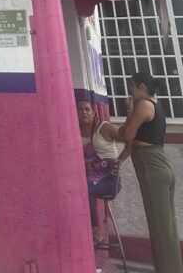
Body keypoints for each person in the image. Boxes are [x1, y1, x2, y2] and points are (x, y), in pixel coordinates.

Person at [119, 70, 182, 272]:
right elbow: (132, 141)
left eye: (132, 86)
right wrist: (119, 160)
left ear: (142, 87)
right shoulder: (153, 105)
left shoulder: (144, 105)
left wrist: (129, 110)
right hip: (158, 167)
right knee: (164, 228)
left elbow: (127, 135)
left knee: (161, 230)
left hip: (152, 168)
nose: (130, 90)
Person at [77, 99, 123, 251]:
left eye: (87, 109)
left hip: (110, 178)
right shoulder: (74, 131)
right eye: (80, 109)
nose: (84, 112)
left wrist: (119, 160)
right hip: (92, 177)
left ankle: (95, 229)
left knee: (85, 188)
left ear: (94, 113)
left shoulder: (104, 128)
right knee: (79, 188)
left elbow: (129, 139)